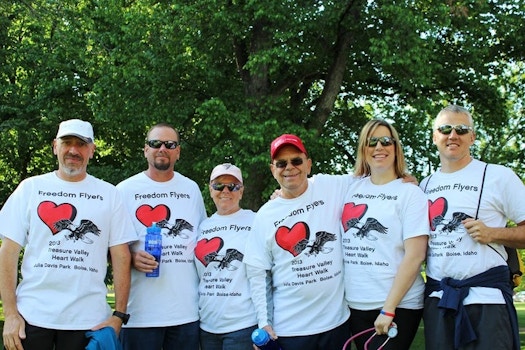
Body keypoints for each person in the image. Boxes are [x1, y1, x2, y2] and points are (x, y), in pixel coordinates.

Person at [0, 119, 136, 350]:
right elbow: (8, 252)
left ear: (92, 150)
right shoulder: (30, 188)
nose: (74, 150)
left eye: (81, 144)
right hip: (31, 316)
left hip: (88, 319)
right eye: (67, 143)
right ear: (55, 146)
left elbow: (121, 256)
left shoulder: (109, 194)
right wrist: (11, 313)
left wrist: (118, 315)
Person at [421, 105, 525, 350]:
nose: (452, 135)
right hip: (439, 301)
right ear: (435, 136)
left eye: (461, 129)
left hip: (487, 301)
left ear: (472, 137)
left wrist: (493, 234)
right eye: (445, 129)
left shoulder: (499, 176)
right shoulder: (423, 186)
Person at [244, 134, 356, 350]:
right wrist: (264, 322)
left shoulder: (329, 186)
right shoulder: (266, 215)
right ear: (272, 169)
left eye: (296, 161)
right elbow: (257, 272)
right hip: (290, 331)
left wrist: (402, 179)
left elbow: (372, 179)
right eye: (281, 163)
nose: (289, 168)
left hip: (336, 325)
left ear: (308, 164)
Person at [116, 123, 207, 350]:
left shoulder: (191, 189)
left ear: (178, 151)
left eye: (170, 144)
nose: (162, 148)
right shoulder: (124, 191)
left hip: (185, 312)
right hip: (139, 314)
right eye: (155, 143)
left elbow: (204, 242)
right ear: (145, 149)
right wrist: (132, 257)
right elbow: (110, 247)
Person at [340, 119, 428, 349]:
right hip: (356, 303)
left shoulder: (410, 193)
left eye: (386, 141)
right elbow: (307, 188)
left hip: (398, 304)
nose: (379, 147)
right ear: (363, 149)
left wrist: (388, 308)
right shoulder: (349, 187)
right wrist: (281, 194)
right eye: (372, 142)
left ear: (396, 147)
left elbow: (416, 255)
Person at [194, 163, 258, 350]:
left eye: (233, 186)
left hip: (243, 324)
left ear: (241, 191)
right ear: (210, 189)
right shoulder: (202, 226)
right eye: (219, 185)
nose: (225, 191)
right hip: (207, 326)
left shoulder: (256, 220)